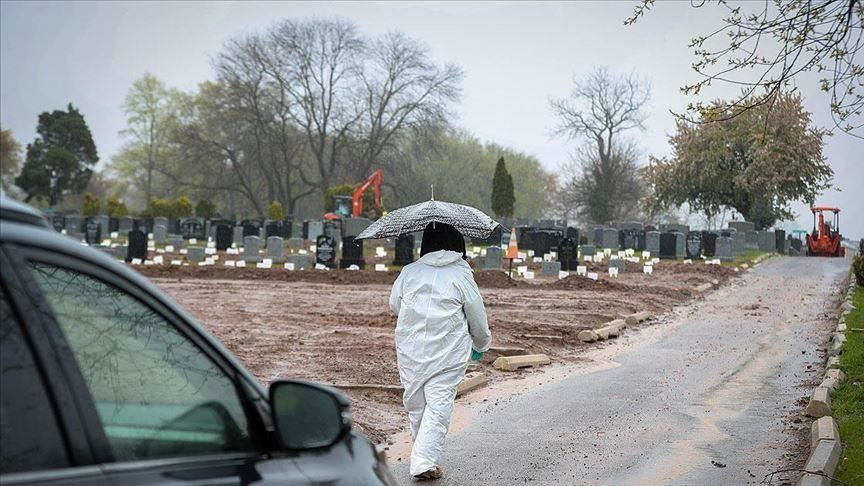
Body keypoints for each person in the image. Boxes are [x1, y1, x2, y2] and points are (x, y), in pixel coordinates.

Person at [389, 222, 492, 480]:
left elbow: (394, 305)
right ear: (459, 245)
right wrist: (481, 343)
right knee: (438, 405)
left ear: (425, 244)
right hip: (448, 351)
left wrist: (416, 317)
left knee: (416, 404)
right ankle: (423, 459)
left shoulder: (409, 271)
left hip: (411, 349)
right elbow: (476, 316)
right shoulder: (461, 275)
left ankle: (423, 456)